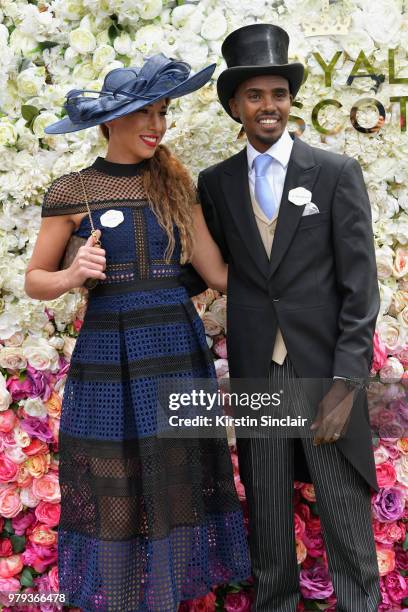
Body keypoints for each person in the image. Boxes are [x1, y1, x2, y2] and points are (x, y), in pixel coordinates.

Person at [24, 53, 250, 612]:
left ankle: (167, 601)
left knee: (177, 489)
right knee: (113, 492)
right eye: (145, 113)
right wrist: (73, 274)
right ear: (109, 122)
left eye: (163, 112)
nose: (157, 125)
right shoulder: (71, 192)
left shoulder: (177, 189)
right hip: (108, 357)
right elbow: (34, 280)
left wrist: (300, 282)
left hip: (176, 350)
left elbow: (220, 275)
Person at [197, 24, 381, 611]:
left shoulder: (334, 173)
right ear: (235, 106)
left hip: (325, 371)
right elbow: (209, 267)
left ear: (291, 100)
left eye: (277, 93)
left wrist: (347, 383)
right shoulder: (216, 184)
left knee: (345, 514)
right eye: (254, 96)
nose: (268, 106)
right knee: (269, 517)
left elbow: (361, 289)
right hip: (259, 373)